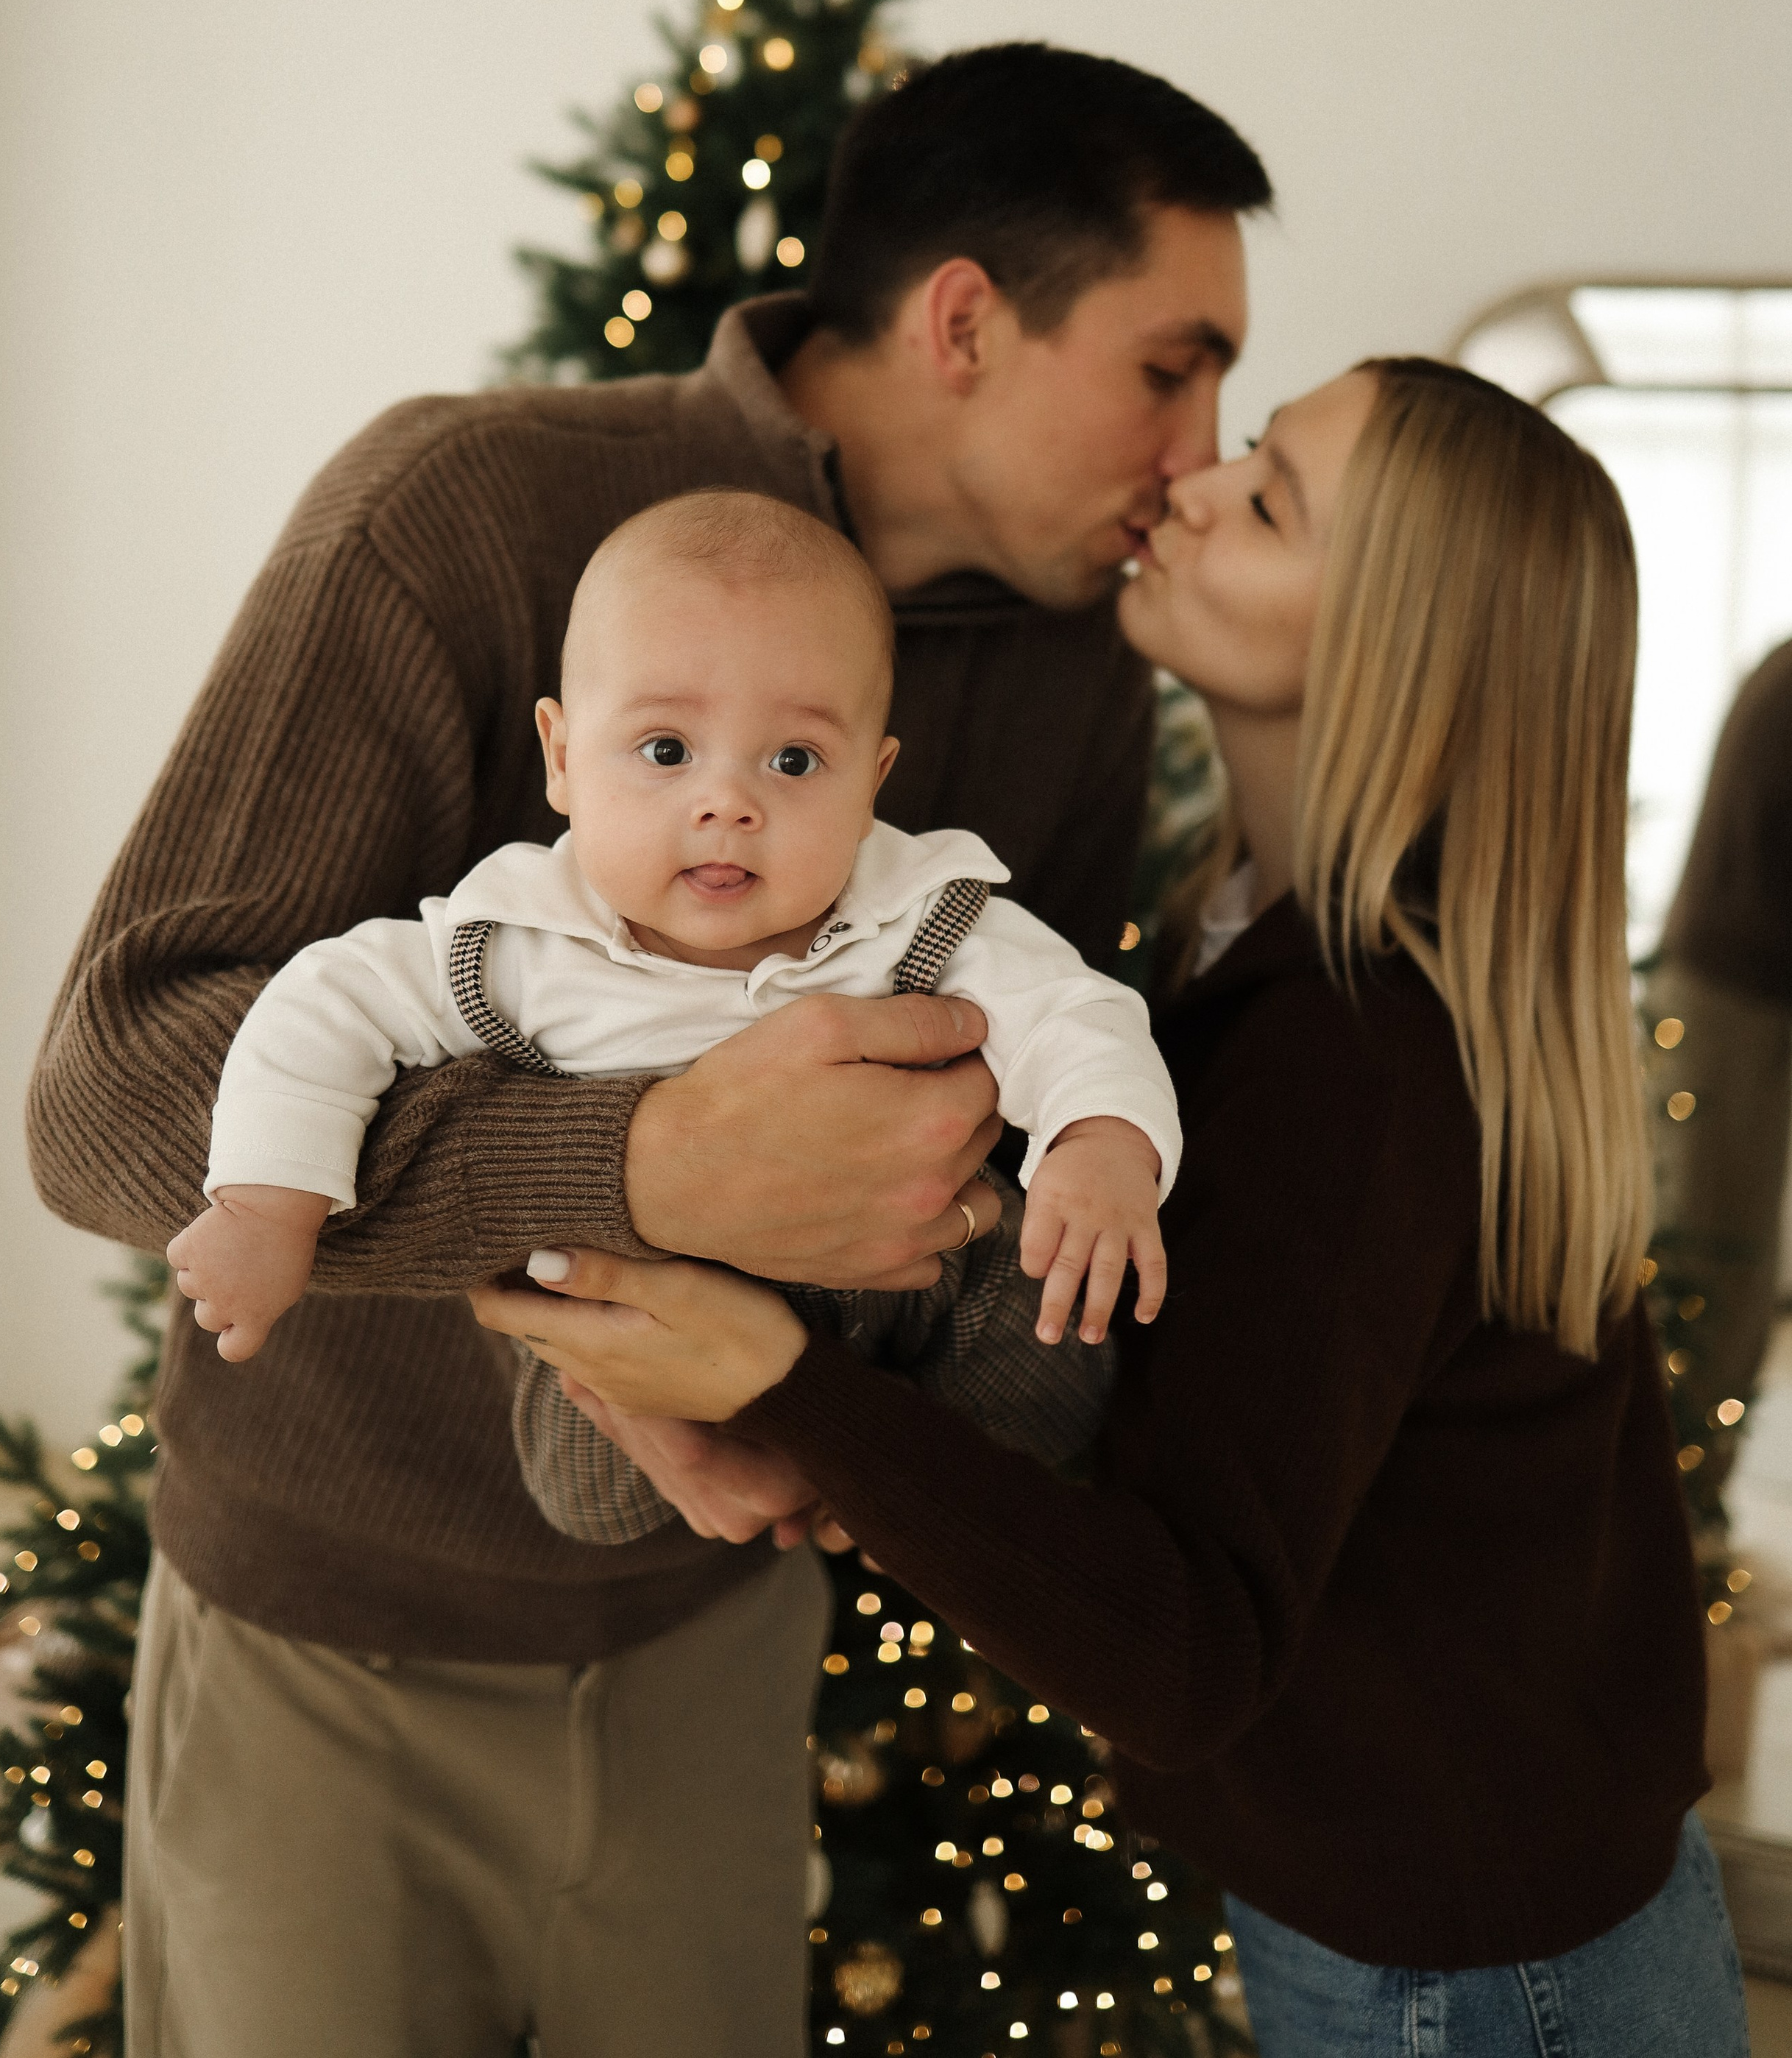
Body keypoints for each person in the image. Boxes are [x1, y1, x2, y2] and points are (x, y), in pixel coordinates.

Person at [26, 40, 1269, 2058]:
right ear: (966, 320)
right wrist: (631, 1165)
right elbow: (104, 1098)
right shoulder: (466, 511)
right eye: (1168, 367)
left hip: (718, 1641)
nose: (1199, 450)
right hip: (336, 1647)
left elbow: (1001, 1112)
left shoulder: (1068, 667)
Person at [484, 356, 1744, 2058]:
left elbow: (1183, 1646)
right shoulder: (1238, 935)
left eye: (1268, 494)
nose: (1190, 481)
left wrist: (778, 1378)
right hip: (1474, 1889)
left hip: (1461, 1963)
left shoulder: (1358, 1055)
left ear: (1403, 650)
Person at [168, 489, 1179, 1545]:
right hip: (640, 1300)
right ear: (562, 758)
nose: (727, 802)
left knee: (1052, 1359)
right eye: (664, 751)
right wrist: (266, 1204)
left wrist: (1101, 1140)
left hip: (919, 1274)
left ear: (874, 781)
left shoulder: (921, 914)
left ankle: (907, 1480)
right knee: (586, 1475)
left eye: (794, 761)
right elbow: (327, 1005)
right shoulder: (511, 940)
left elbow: (1074, 1012)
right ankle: (765, 1460)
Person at [1644, 640, 1792, 1544]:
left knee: (1724, 1257)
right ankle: (1683, 1520)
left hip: (1736, 985)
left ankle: (1693, 1511)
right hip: (1735, 991)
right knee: (1715, 1262)